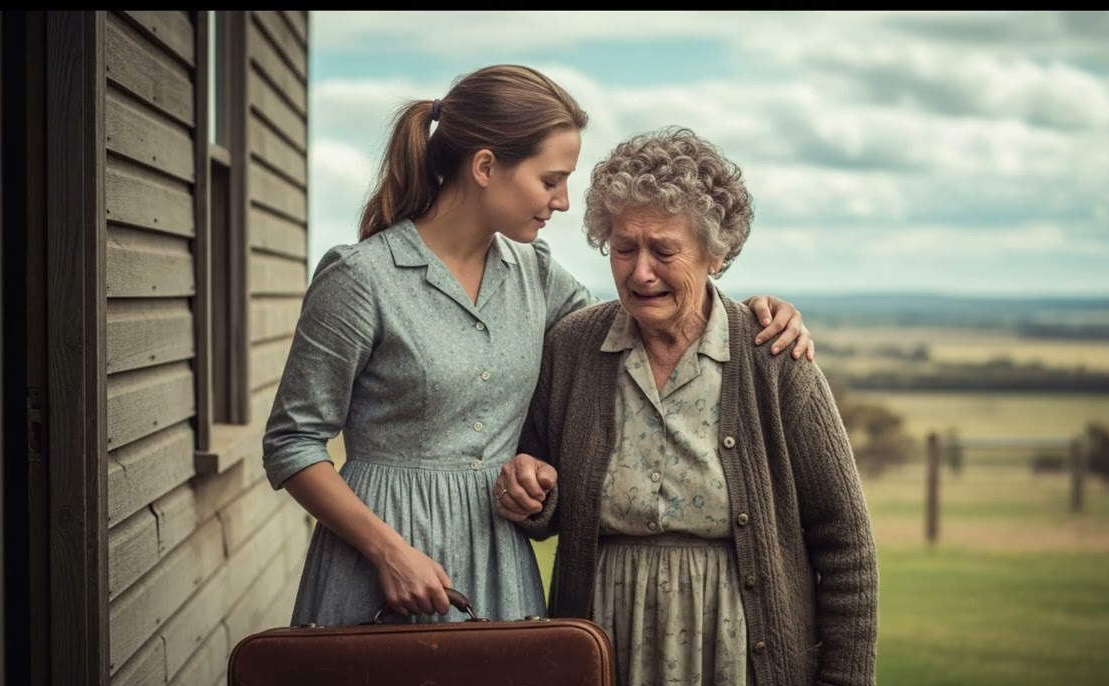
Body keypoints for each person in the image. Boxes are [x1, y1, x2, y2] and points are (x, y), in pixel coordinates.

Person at [261, 65, 817, 629]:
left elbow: (642, 319)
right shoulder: (361, 278)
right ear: (485, 167)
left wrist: (753, 315)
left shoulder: (538, 276)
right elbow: (292, 443)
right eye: (551, 180)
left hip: (498, 559)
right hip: (377, 561)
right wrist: (388, 551)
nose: (564, 201)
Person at [494, 127, 878, 686]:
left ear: (716, 255)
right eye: (624, 248)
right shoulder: (573, 347)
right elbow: (540, 490)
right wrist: (531, 492)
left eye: (664, 251)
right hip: (604, 649)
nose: (640, 271)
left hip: (739, 657)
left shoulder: (772, 358)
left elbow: (845, 542)